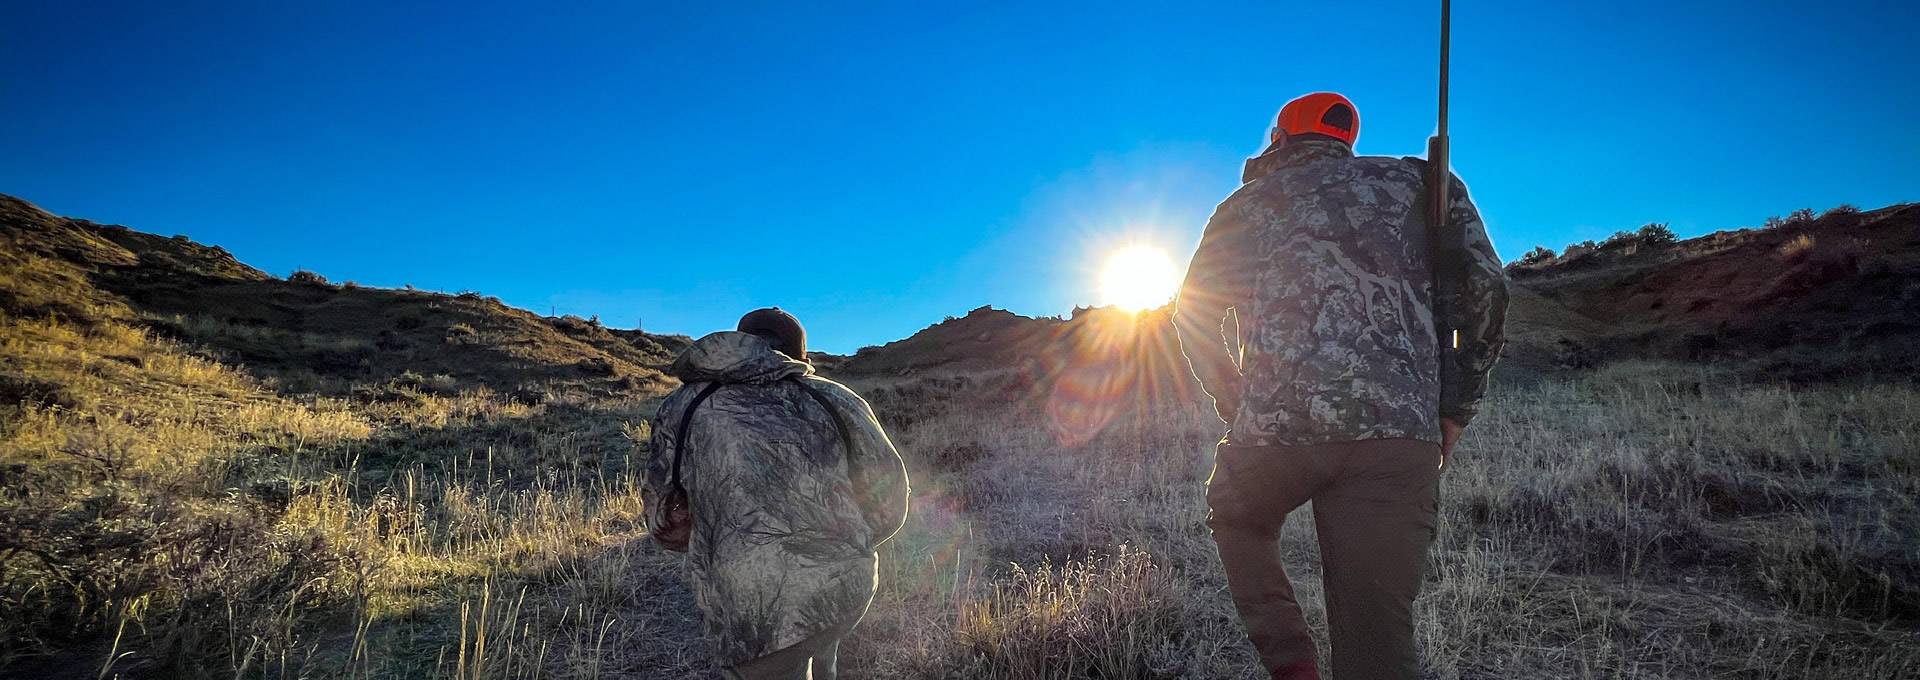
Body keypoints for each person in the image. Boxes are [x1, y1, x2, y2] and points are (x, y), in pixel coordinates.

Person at [1173, 92, 1509, 680]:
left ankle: (1292, 663)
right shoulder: (1422, 184)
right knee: (1377, 639)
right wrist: (1455, 407)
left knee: (1237, 517)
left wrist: (1238, 405)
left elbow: (1193, 314)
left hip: (1275, 437)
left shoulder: (1246, 203)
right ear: (1344, 139)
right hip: (1400, 436)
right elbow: (1485, 291)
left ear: (1280, 139)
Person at [643, 307, 910, 680]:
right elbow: (891, 501)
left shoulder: (682, 407)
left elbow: (662, 516)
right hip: (844, 589)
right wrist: (846, 546)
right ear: (802, 356)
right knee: (820, 649)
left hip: (750, 611)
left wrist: (714, 548)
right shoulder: (836, 399)